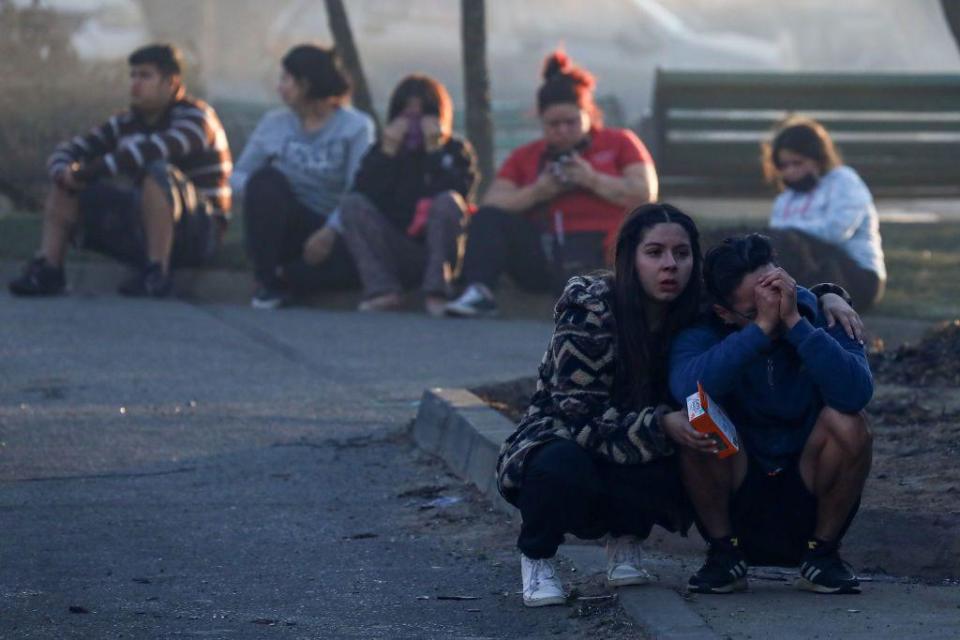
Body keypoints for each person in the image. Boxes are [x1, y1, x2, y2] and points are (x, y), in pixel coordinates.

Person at [669, 233, 873, 596]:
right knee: (692, 416)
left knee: (850, 423)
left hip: (807, 481)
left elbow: (856, 392)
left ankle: (823, 555)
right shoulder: (704, 327)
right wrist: (760, 331)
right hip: (740, 480)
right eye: (755, 310)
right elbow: (685, 388)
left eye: (777, 296)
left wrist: (797, 323)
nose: (773, 311)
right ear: (724, 313)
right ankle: (723, 555)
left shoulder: (823, 314)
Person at [445, 49, 657, 317]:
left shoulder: (620, 142)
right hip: (546, 252)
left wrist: (591, 179)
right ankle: (479, 293)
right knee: (488, 218)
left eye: (571, 122)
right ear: (542, 123)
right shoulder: (526, 156)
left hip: (603, 249)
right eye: (553, 124)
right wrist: (539, 190)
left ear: (588, 114)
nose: (563, 131)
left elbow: (644, 193)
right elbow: (492, 204)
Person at [9, 43, 231, 298]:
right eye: (133, 75)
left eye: (145, 76)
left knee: (157, 171)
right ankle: (48, 268)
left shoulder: (198, 118)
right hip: (141, 226)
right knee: (67, 180)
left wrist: (84, 173)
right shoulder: (124, 122)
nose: (135, 83)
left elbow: (149, 152)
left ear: (171, 82)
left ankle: (156, 272)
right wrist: (65, 172)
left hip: (200, 233)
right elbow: (71, 150)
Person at [231, 44, 375, 309]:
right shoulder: (274, 123)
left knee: (355, 266)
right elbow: (238, 176)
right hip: (282, 223)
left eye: (286, 79)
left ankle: (288, 277)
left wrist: (330, 232)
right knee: (265, 181)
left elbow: (358, 189)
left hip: (329, 227)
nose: (279, 87)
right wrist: (259, 191)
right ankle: (268, 281)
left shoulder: (355, 127)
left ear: (306, 84)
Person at [339, 74, 477, 315]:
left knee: (447, 202)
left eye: (423, 114)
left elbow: (461, 193)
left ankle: (438, 292)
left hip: (440, 251)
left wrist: (435, 150)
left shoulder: (455, 151)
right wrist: (387, 153)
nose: (414, 123)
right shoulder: (381, 152)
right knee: (352, 205)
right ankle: (382, 291)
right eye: (407, 115)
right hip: (395, 245)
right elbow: (364, 193)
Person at [763, 117, 886, 311]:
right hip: (814, 269)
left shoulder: (843, 181)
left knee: (792, 243)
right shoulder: (785, 199)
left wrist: (791, 234)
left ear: (818, 159)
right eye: (783, 166)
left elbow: (835, 231)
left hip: (856, 274)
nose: (790, 172)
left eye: (797, 163)